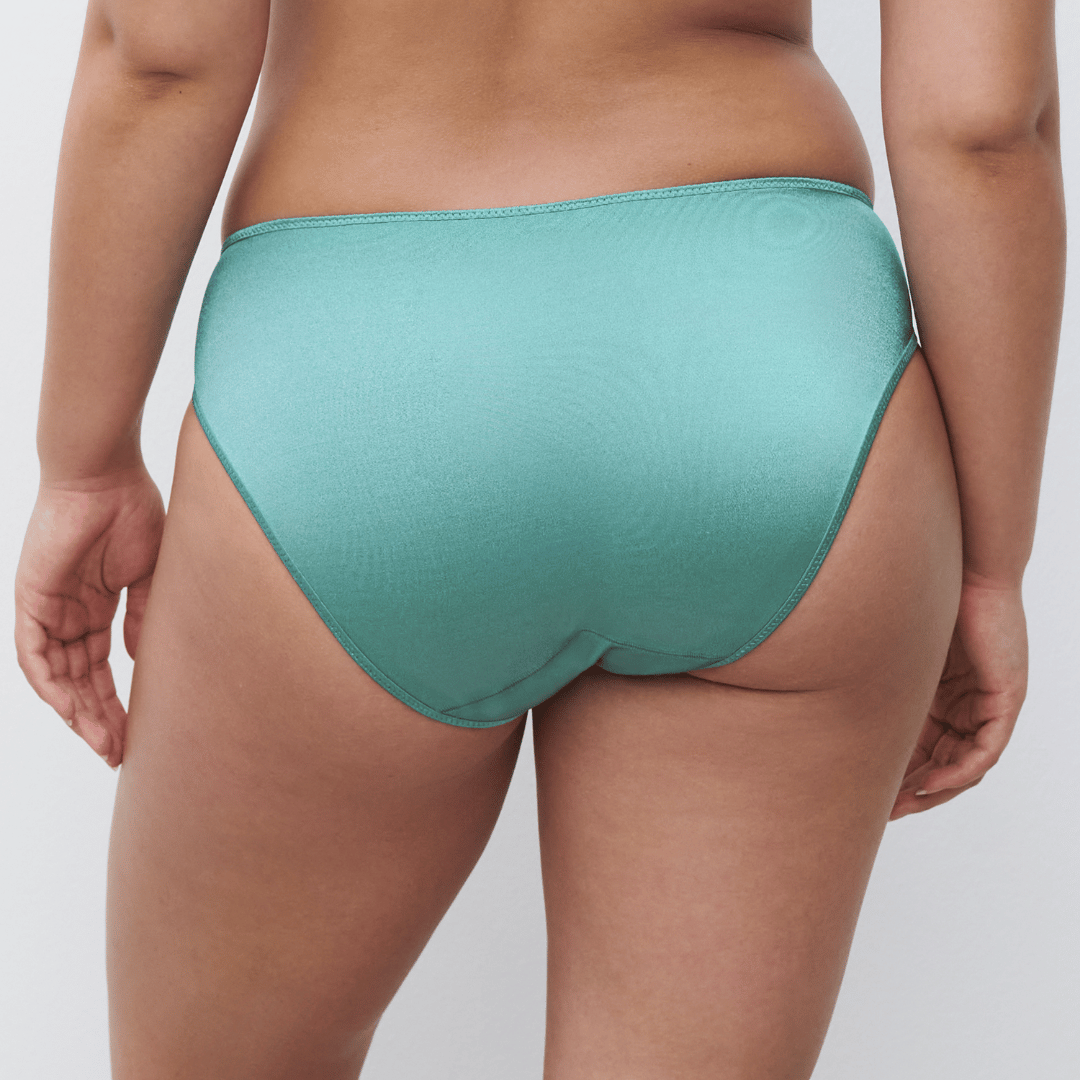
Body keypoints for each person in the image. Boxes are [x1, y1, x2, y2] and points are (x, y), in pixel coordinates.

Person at [12, 0, 1065, 1075]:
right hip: (766, 354)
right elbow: (983, 123)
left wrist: (85, 462)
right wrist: (992, 561)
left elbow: (162, 57)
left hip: (363, 382)